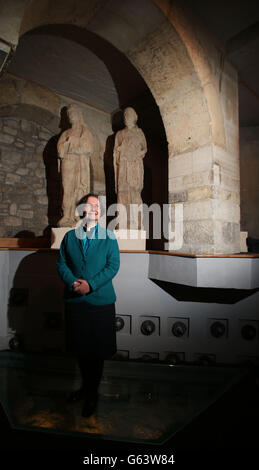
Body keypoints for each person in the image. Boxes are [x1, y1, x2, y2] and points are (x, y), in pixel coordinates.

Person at [56, 193, 120, 417]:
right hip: (76, 301)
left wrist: (90, 285)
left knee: (97, 352)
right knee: (81, 350)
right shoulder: (69, 238)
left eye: (98, 206)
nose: (95, 208)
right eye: (91, 205)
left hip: (100, 303)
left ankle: (92, 394)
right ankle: (85, 388)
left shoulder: (109, 237)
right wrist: (73, 282)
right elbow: (62, 263)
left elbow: (113, 266)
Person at [57, 104, 94, 227]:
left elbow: (89, 148)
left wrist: (74, 144)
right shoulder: (66, 133)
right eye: (69, 114)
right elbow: (60, 150)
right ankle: (67, 216)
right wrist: (68, 143)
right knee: (67, 190)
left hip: (80, 163)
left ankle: (79, 216)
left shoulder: (85, 131)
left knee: (80, 190)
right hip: (68, 163)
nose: (71, 116)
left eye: (73, 113)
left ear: (79, 115)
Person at [113, 107, 147, 229]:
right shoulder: (120, 134)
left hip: (134, 167)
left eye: (129, 115)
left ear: (134, 117)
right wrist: (119, 151)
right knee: (122, 193)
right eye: (125, 115)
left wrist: (137, 153)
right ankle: (122, 222)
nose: (126, 117)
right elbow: (115, 153)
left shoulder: (139, 132)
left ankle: (135, 222)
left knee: (134, 192)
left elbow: (144, 149)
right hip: (123, 166)